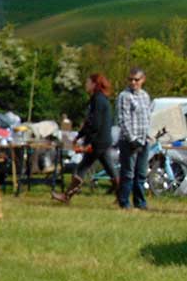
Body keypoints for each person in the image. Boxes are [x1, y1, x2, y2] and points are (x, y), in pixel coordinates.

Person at [52, 73, 117, 204]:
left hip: (98, 142)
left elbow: (95, 124)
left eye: (88, 82)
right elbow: (90, 122)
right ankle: (122, 197)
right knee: (110, 170)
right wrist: (79, 135)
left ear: (94, 84)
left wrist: (88, 142)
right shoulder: (99, 99)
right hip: (103, 141)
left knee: (82, 168)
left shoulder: (98, 100)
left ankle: (67, 196)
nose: (85, 85)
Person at [116, 66, 152, 210]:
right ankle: (124, 202)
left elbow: (148, 117)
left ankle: (140, 202)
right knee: (128, 173)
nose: (133, 82)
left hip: (144, 139)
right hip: (128, 141)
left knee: (141, 173)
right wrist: (132, 139)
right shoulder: (124, 96)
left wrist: (148, 136)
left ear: (143, 80)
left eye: (136, 80)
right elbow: (122, 119)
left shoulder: (145, 96)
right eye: (130, 79)